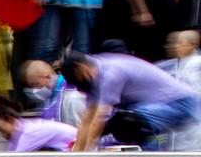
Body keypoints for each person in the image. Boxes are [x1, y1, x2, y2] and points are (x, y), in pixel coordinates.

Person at [60, 50, 200, 151]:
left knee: (125, 122)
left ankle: (152, 150)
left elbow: (98, 120)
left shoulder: (110, 74)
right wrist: (77, 154)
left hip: (180, 103)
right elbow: (87, 120)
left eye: (76, 79)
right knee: (121, 124)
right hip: (156, 106)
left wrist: (86, 155)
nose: (79, 86)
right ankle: (149, 150)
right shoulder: (92, 78)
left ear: (81, 68)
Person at [20, 59, 86, 126]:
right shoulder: (49, 97)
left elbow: (78, 130)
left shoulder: (71, 96)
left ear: (47, 77)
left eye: (36, 84)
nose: (34, 89)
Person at [0, 103, 78, 151]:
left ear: (11, 118)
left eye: (3, 129)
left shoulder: (29, 132)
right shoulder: (21, 129)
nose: (4, 135)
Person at [157, 29, 201, 93]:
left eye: (180, 42)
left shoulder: (197, 62)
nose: (177, 46)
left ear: (191, 45)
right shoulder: (180, 63)